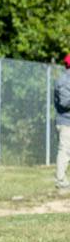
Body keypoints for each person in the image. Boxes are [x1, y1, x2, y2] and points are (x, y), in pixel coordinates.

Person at [57, 53, 70, 190]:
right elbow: (65, 102)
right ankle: (61, 181)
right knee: (65, 151)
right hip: (66, 122)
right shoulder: (65, 80)